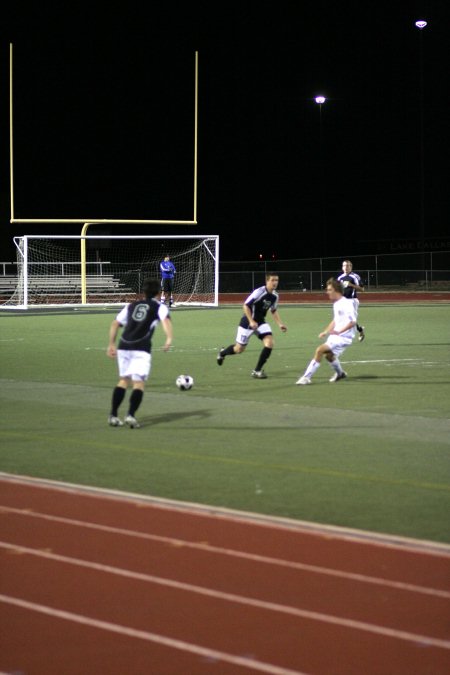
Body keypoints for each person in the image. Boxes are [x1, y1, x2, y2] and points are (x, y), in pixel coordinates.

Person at [107, 278, 173, 428]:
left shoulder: (131, 305)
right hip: (141, 348)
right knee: (138, 383)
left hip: (123, 345)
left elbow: (115, 323)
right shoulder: (159, 307)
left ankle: (113, 415)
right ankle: (130, 415)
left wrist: (111, 344)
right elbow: (166, 322)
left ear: (144, 292)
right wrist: (169, 338)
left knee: (123, 380)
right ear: (158, 293)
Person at [216, 273, 287, 379]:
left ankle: (257, 371)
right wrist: (251, 321)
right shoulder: (259, 292)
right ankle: (222, 353)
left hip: (261, 322)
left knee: (270, 343)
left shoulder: (275, 296)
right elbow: (245, 306)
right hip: (247, 322)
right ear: (267, 281)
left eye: (276, 280)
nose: (275, 282)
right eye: (272, 280)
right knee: (239, 349)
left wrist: (280, 324)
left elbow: (273, 310)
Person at [296, 277, 356, 385]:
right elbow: (335, 320)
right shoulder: (336, 303)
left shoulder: (346, 303)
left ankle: (306, 377)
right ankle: (340, 373)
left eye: (329, 290)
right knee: (329, 356)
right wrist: (325, 331)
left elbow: (352, 322)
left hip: (344, 337)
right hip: (337, 335)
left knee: (320, 350)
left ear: (336, 290)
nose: (327, 292)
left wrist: (339, 331)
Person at [337, 259, 365, 341]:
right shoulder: (340, 277)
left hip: (352, 300)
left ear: (351, 267)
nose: (346, 267)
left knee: (351, 319)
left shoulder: (355, 276)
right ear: (342, 267)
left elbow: (362, 289)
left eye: (348, 265)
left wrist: (351, 285)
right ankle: (360, 330)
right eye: (344, 265)